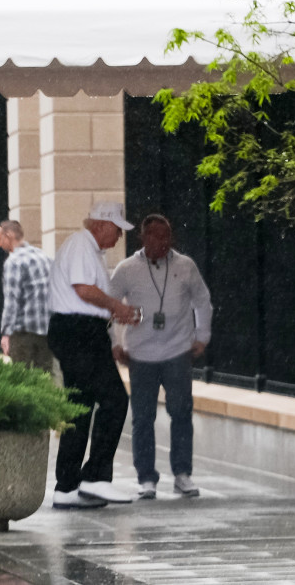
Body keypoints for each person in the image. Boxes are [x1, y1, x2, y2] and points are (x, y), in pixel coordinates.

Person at [110, 214, 212, 500]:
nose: (163, 241)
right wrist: (114, 344)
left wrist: (202, 336)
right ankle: (146, 478)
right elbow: (108, 305)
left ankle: (182, 474)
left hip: (177, 351)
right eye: (155, 235)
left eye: (167, 235)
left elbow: (202, 301)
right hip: (140, 355)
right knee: (143, 418)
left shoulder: (185, 265)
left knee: (181, 413)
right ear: (143, 238)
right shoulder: (127, 269)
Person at [48, 201, 141, 509]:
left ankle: (67, 486)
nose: (119, 237)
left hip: (79, 331)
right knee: (115, 400)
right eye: (117, 230)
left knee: (80, 407)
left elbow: (89, 297)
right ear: (101, 225)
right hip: (79, 333)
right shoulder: (80, 245)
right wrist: (117, 307)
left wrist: (111, 323)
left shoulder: (89, 251)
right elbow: (84, 290)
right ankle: (95, 478)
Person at [0, 220, 54, 375]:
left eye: (0, 239)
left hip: (23, 331)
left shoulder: (13, 262)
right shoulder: (44, 257)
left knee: (22, 377)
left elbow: (12, 301)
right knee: (46, 376)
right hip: (47, 329)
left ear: (9, 235)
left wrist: (6, 333)